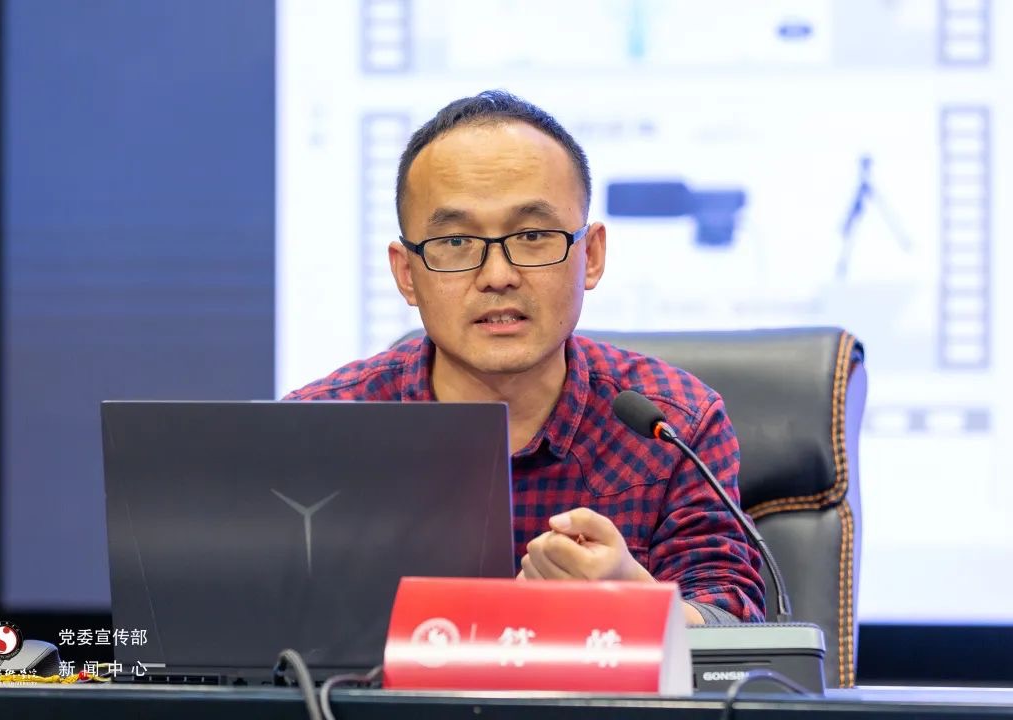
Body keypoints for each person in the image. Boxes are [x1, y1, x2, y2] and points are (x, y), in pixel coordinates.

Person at [284, 90, 764, 624]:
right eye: (456, 242)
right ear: (406, 274)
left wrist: (635, 601)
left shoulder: (673, 427)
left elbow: (735, 624)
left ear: (591, 255)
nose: (497, 276)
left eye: (533, 235)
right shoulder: (317, 430)